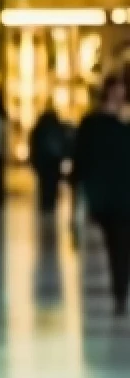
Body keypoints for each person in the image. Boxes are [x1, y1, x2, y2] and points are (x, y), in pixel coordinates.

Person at [73, 73, 130, 316]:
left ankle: (120, 293)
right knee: (114, 245)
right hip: (105, 197)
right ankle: (119, 290)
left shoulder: (124, 125)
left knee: (122, 246)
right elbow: (81, 160)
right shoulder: (92, 125)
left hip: (124, 196)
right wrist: (79, 193)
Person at [29, 104, 73, 216]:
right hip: (54, 161)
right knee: (53, 184)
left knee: (44, 184)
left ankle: (45, 204)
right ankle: (51, 204)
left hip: (43, 161)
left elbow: (33, 145)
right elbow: (65, 143)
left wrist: (33, 160)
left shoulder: (39, 128)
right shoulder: (58, 128)